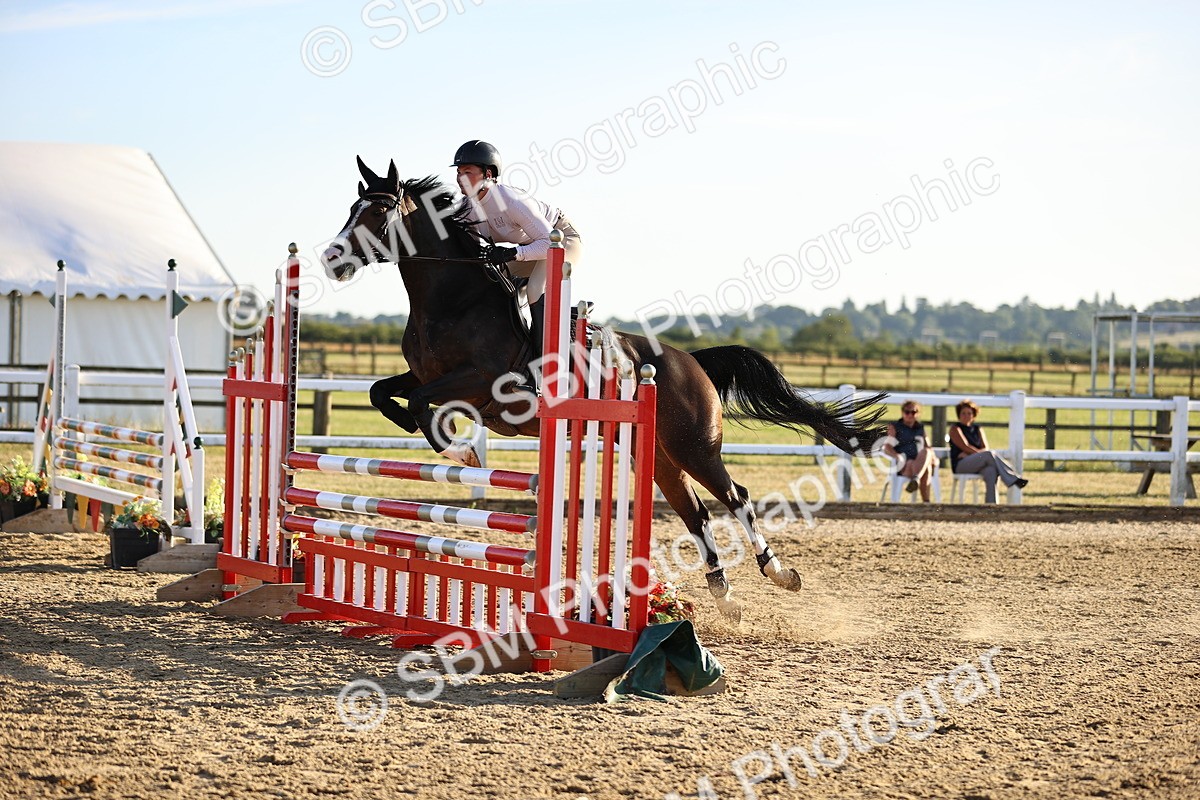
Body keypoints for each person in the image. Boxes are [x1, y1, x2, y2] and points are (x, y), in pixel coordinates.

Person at [452, 140, 582, 392]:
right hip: (525, 252)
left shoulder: (510, 200)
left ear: (488, 174)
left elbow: (549, 244)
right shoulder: (467, 208)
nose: (459, 178)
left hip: (561, 241)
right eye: (458, 172)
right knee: (489, 287)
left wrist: (513, 253)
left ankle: (545, 372)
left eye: (467, 172)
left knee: (535, 290)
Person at [948, 399, 1029, 503]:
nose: (966, 416)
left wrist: (976, 455)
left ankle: (991, 507)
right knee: (989, 454)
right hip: (961, 465)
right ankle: (1013, 478)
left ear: (974, 415)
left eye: (969, 413)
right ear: (958, 415)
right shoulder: (955, 429)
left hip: (977, 462)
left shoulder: (978, 429)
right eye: (963, 413)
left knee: (991, 471)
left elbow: (985, 447)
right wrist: (980, 455)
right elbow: (965, 446)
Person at [882, 400, 935, 502]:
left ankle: (916, 479)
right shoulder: (895, 427)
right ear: (902, 413)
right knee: (925, 468)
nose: (910, 415)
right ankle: (926, 503)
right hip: (904, 465)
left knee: (926, 453)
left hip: (918, 462)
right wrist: (897, 456)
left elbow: (929, 447)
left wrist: (934, 458)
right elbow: (887, 447)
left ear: (918, 414)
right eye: (907, 412)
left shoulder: (920, 428)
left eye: (913, 412)